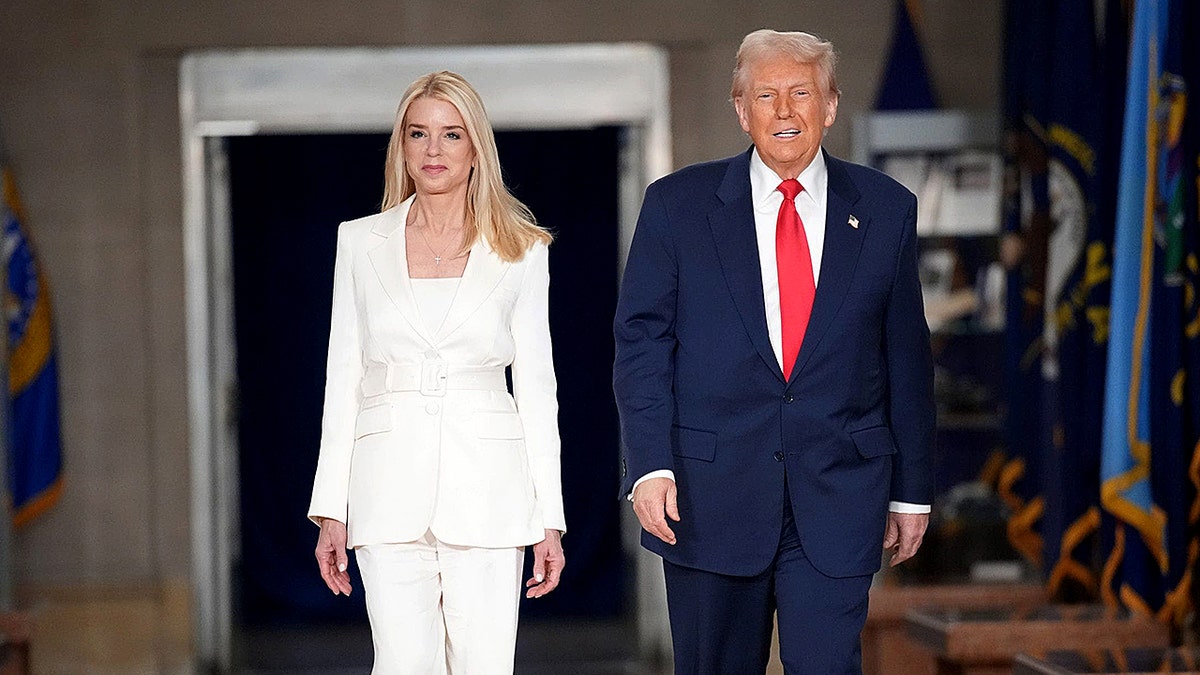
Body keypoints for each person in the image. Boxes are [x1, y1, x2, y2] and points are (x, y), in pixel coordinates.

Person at [613, 29, 935, 674]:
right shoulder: (678, 206)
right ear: (741, 109)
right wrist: (650, 464)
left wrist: (912, 492)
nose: (785, 111)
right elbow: (642, 344)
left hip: (839, 494)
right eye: (767, 95)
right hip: (707, 500)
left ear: (831, 105)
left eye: (801, 93)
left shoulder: (885, 209)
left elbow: (906, 357)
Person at [307, 70, 566, 675]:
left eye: (451, 135)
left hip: (490, 491)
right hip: (385, 487)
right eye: (418, 134)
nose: (432, 150)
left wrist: (547, 517)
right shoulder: (359, 243)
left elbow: (538, 389)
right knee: (401, 665)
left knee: (485, 665)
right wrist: (330, 507)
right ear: (401, 145)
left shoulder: (522, 250)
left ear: (476, 148)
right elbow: (343, 378)